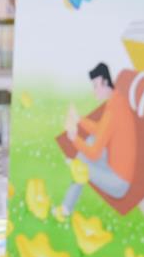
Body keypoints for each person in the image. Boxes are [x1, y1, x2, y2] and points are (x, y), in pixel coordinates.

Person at [53, 63, 136, 221]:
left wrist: (74, 139)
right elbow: (101, 130)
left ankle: (65, 209)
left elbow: (94, 153)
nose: (94, 91)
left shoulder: (113, 110)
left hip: (118, 182)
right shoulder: (117, 101)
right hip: (115, 166)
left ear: (105, 82)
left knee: (80, 164)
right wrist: (79, 119)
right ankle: (67, 206)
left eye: (96, 86)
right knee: (91, 141)